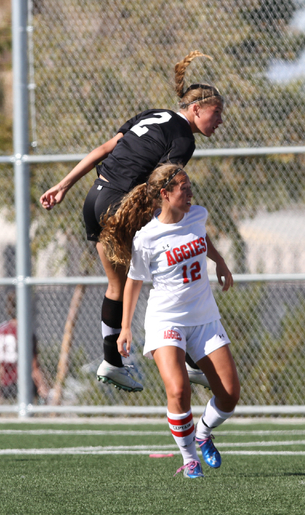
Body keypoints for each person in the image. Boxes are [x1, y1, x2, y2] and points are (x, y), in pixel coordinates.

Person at [39, 51, 223, 392]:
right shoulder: (183, 139)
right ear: (196, 109)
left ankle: (112, 360)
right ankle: (191, 357)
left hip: (94, 199)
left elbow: (105, 148)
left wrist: (64, 185)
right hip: (118, 204)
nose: (220, 121)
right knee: (170, 263)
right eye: (217, 113)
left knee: (119, 284)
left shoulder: (154, 115)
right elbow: (161, 187)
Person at [102, 163, 239, 479]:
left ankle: (203, 432)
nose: (190, 193)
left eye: (190, 187)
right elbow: (134, 282)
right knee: (178, 390)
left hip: (204, 317)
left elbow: (203, 238)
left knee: (229, 395)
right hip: (166, 320)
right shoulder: (146, 238)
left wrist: (220, 263)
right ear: (164, 194)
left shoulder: (197, 214)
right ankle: (190, 458)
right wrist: (124, 328)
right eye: (184, 188)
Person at [0, 291, 49, 404]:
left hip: (5, 386)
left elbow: (0, 367)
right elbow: (34, 367)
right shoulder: (25, 332)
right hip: (23, 384)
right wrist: (43, 388)